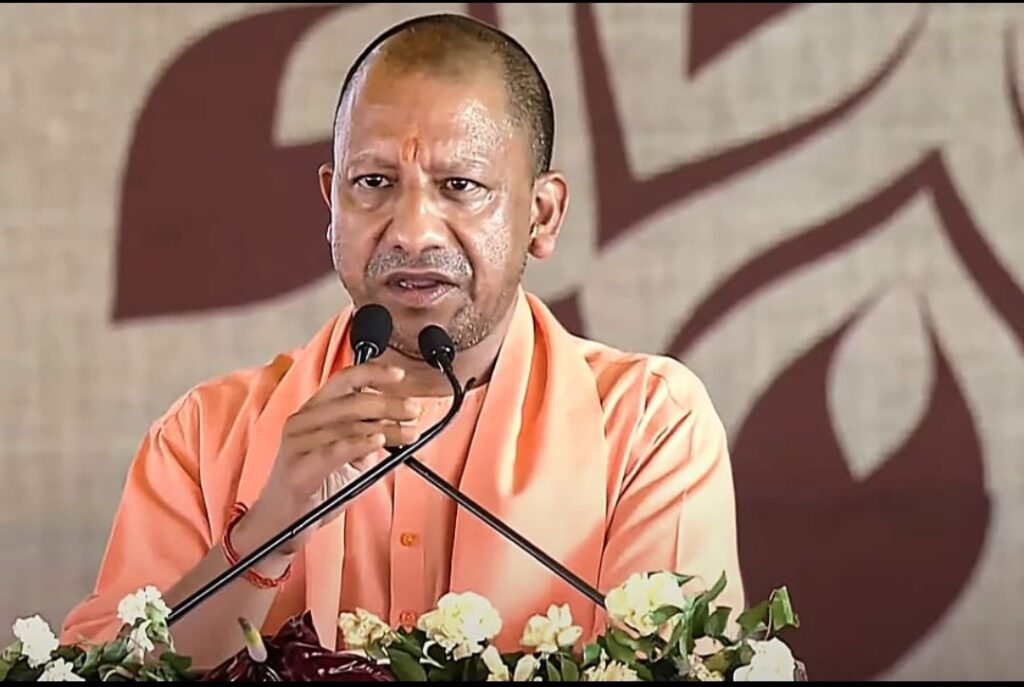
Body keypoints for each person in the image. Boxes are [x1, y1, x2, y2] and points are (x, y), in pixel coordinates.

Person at [61, 13, 744, 669]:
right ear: (332, 206)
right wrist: (266, 533)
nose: (413, 231)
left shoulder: (649, 426)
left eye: (460, 185)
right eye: (374, 183)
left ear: (542, 214)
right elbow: (99, 671)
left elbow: (682, 666)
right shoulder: (204, 437)